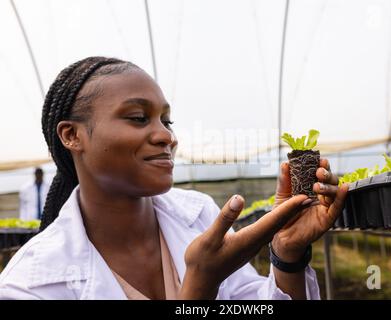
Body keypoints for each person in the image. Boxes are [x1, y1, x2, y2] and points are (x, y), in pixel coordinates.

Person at [0, 57, 348, 300]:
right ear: (72, 135)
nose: (166, 136)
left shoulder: (199, 216)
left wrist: (287, 254)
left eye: (167, 121)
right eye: (138, 117)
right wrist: (201, 284)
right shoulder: (30, 285)